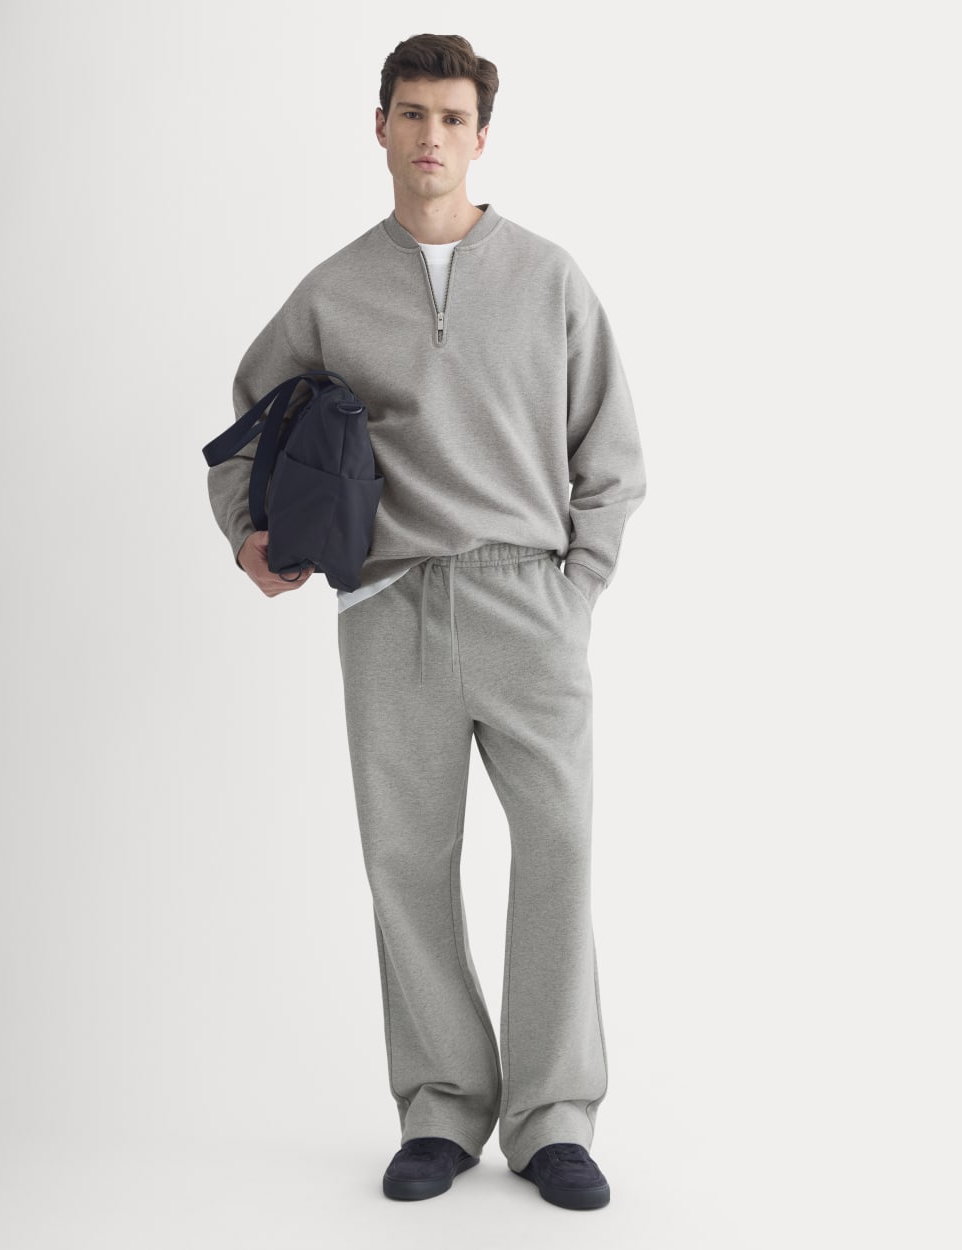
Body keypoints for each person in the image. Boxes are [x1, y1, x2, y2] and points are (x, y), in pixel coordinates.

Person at [207, 33, 646, 1210]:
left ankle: (552, 1116)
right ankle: (443, 1106)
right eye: (411, 114)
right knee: (406, 862)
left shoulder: (549, 278)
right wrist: (248, 532)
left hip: (527, 599)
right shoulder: (334, 289)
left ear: (481, 136)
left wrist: (574, 590)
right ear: (381, 127)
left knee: (557, 852)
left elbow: (611, 455)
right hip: (390, 606)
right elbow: (245, 421)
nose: (431, 136)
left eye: (452, 117)